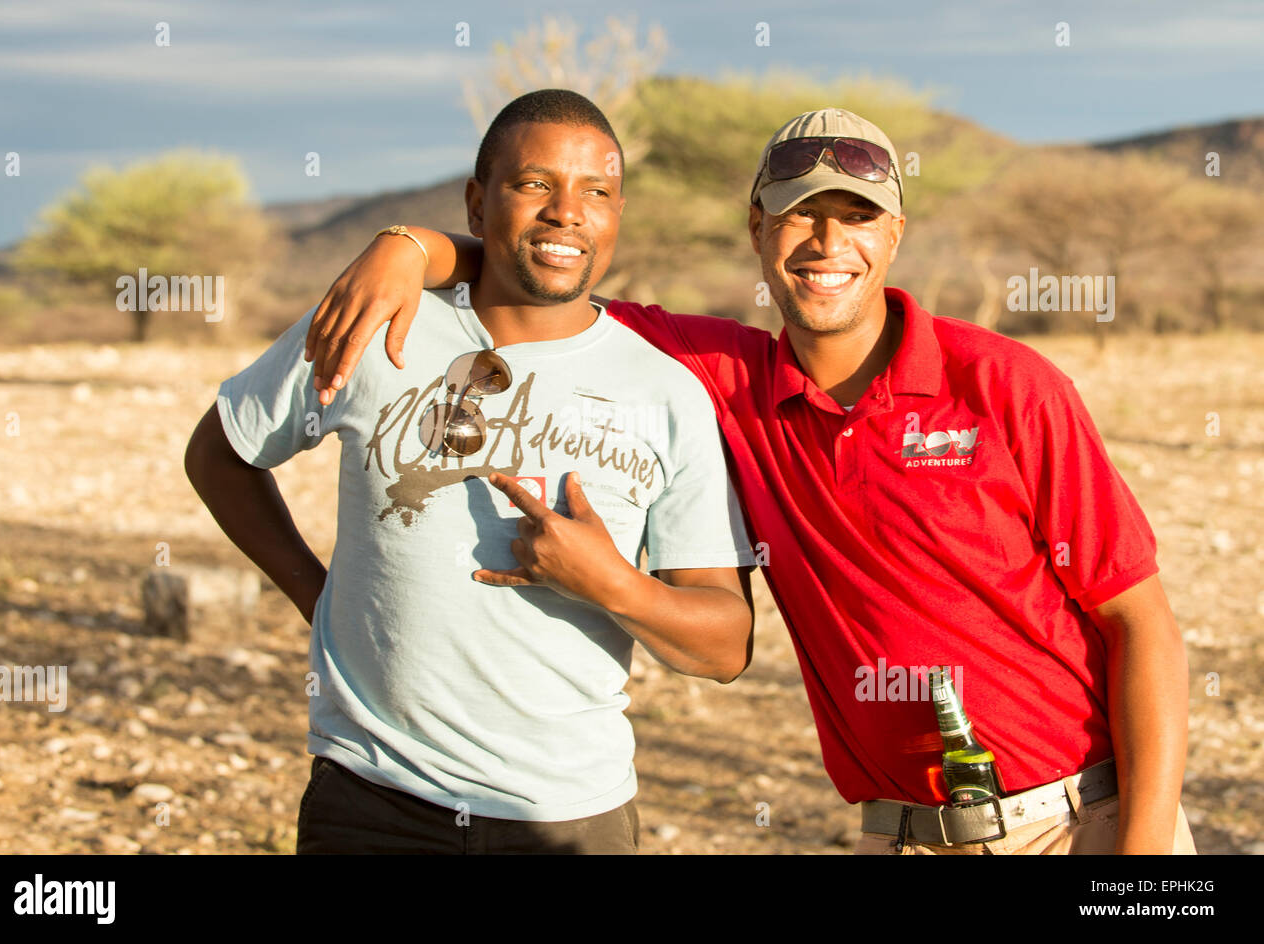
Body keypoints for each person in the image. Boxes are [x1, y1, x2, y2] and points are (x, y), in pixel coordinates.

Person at [303, 105, 1197, 855]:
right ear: (758, 231)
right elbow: (543, 271)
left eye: (855, 216)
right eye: (800, 214)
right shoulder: (720, 377)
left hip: (1085, 820)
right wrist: (411, 246)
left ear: (894, 234)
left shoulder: (1005, 385)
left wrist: (1144, 855)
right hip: (902, 835)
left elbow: (1139, 619)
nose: (826, 242)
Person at [184, 89, 755, 855]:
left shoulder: (666, 391)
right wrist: (311, 592)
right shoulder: (381, 316)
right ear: (477, 203)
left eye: (597, 192)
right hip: (372, 796)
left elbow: (723, 646)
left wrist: (612, 583)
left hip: (569, 817)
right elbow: (222, 449)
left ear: (618, 214)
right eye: (533, 184)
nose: (566, 212)